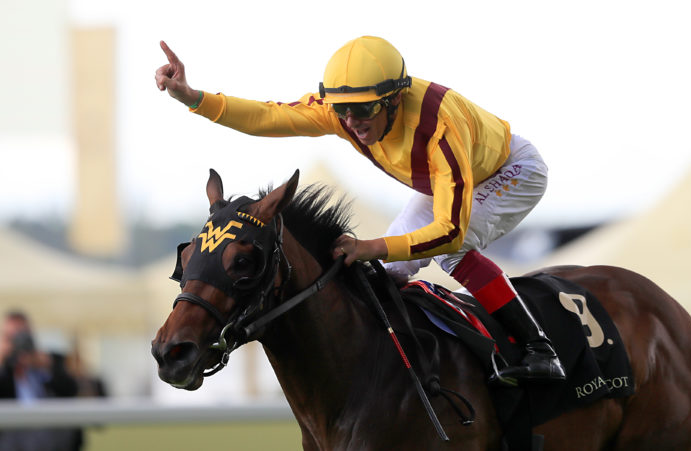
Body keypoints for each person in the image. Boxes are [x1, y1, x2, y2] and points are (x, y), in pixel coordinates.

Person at [155, 36, 565, 382]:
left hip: (512, 171)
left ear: (395, 98)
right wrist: (193, 98)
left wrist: (370, 245)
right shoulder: (346, 106)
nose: (351, 121)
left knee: (446, 250)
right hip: (445, 181)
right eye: (342, 111)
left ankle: (540, 347)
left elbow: (449, 231)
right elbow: (271, 117)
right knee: (388, 275)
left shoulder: (441, 130)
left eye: (364, 109)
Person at [0, 311, 82, 451]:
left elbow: (71, 390)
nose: (19, 343)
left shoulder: (49, 362)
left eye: (23, 336)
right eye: (12, 337)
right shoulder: (4, 370)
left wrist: (46, 367)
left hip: (49, 436)